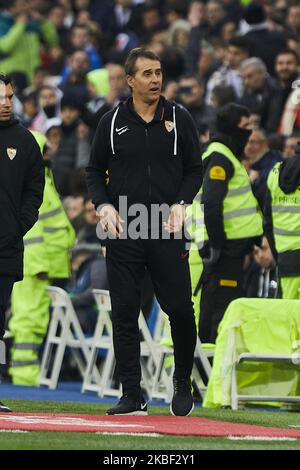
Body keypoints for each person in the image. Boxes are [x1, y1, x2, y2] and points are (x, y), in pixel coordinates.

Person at [86, 47, 202, 416]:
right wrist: (103, 207)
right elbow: (93, 171)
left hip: (167, 228)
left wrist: (181, 204)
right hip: (125, 227)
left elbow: (194, 169)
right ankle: (132, 392)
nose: (155, 79)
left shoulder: (179, 118)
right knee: (124, 311)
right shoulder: (111, 121)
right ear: (130, 80)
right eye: (147, 74)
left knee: (181, 310)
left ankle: (182, 378)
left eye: (159, 72)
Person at [8, 131, 75, 385]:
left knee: (33, 317)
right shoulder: (34, 182)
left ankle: (24, 373)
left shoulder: (42, 178)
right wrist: (38, 265)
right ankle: (24, 375)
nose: (51, 152)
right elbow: (32, 229)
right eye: (45, 148)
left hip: (40, 263)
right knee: (29, 317)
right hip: (35, 264)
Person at [196, 103, 263, 343]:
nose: (249, 133)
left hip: (229, 249)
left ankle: (208, 373)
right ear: (232, 128)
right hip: (224, 250)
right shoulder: (220, 156)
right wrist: (216, 244)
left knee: (217, 306)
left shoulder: (223, 154)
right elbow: (212, 203)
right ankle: (212, 375)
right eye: (245, 127)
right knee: (219, 312)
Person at [0, 73, 45, 411]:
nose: (6, 102)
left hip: (6, 247)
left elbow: (35, 190)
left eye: (9, 97)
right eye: (1, 97)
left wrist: (19, 226)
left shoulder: (26, 141)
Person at [264, 144, 300, 300]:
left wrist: (277, 254)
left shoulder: (275, 172)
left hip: (285, 256)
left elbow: (267, 221)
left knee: (287, 316)